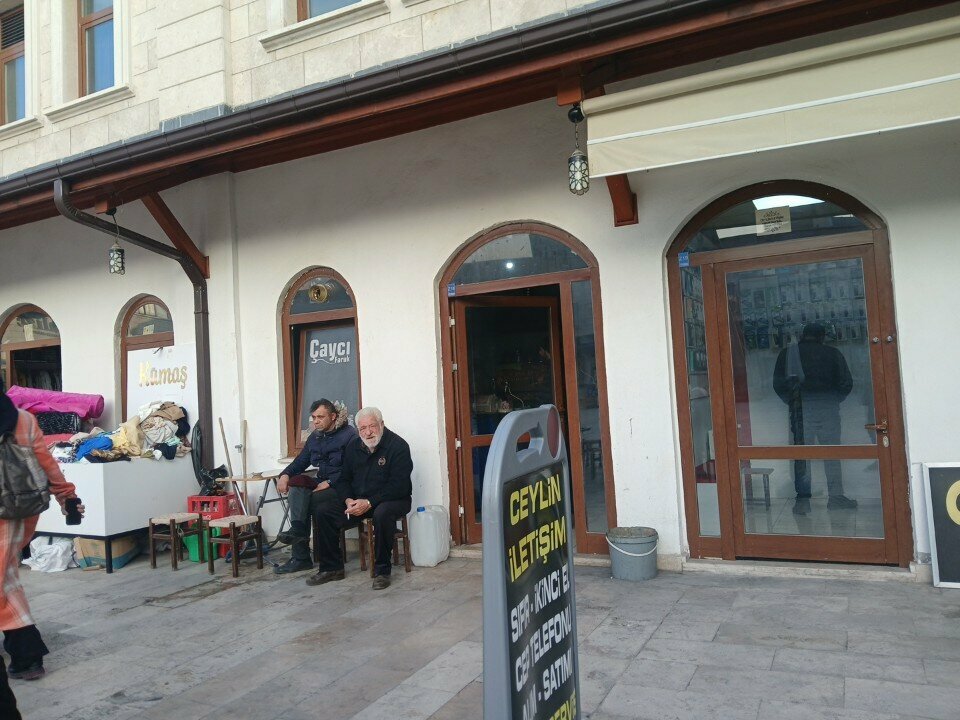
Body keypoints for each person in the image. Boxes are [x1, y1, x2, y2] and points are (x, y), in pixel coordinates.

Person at [0, 385, 84, 719]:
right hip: (22, 513)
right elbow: (48, 465)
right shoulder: (23, 419)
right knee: (7, 580)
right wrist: (68, 499)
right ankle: (26, 656)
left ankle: (25, 657)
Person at [307, 407, 412, 590]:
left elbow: (399, 486)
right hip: (359, 501)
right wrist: (348, 500)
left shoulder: (398, 446)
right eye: (363, 428)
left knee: (382, 513)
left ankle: (382, 572)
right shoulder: (353, 446)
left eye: (372, 426)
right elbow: (343, 479)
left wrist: (370, 502)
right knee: (324, 511)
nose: (368, 432)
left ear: (382, 425)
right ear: (358, 430)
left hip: (394, 499)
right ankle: (332, 568)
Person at [773, 322, 857, 515]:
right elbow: (846, 383)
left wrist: (793, 403)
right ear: (822, 336)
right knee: (832, 455)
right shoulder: (833, 354)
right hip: (828, 410)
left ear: (804, 335)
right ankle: (836, 497)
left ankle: (802, 501)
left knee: (802, 456)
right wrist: (832, 400)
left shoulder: (788, 354)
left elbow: (778, 384)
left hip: (800, 411)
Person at [273, 399, 356, 574]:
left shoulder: (349, 435)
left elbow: (354, 468)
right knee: (296, 488)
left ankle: (301, 555)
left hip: (343, 486)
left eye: (320, 417)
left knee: (310, 499)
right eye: (313, 417)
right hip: (322, 483)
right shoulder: (314, 437)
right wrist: (285, 475)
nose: (315, 421)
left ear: (333, 416)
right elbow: (300, 462)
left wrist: (331, 482)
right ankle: (299, 539)